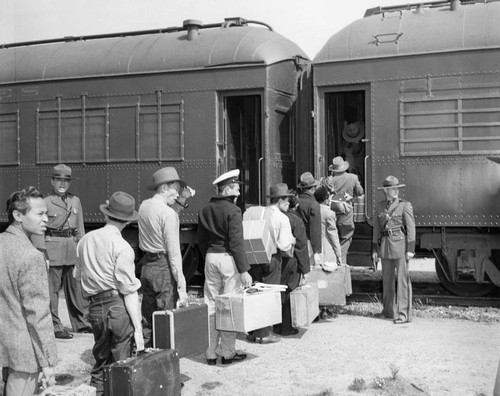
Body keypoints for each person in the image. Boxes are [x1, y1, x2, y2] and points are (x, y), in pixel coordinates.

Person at [75, 191, 143, 395]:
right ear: (127, 222)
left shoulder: (85, 240)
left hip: (95, 307)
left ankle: (96, 390)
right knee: (121, 363)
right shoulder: (122, 247)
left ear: (106, 215)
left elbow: (77, 277)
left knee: (101, 360)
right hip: (117, 305)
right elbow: (128, 291)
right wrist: (138, 329)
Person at [0, 187, 57, 396]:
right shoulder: (31, 256)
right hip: (23, 356)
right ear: (18, 215)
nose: (46, 220)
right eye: (40, 214)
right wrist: (48, 362)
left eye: (47, 214)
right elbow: (38, 315)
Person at [198, 169, 253, 365]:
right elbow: (236, 242)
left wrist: (209, 257)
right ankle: (227, 352)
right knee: (228, 306)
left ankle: (210, 352)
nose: (238, 190)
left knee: (211, 304)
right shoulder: (234, 211)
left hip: (211, 256)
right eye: (236, 187)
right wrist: (244, 269)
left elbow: (201, 240)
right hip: (228, 259)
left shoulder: (205, 209)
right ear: (228, 188)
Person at [33, 164, 91, 339]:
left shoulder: (75, 201)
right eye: (59, 180)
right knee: (52, 290)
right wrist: (42, 252)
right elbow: (39, 229)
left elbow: (79, 228)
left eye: (66, 181)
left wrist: (82, 250)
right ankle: (55, 326)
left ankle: (81, 324)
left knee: (76, 288)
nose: (62, 184)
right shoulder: (44, 201)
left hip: (71, 248)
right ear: (52, 181)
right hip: (52, 249)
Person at [138, 167, 189, 348]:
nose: (177, 194)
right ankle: (165, 364)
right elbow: (174, 253)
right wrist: (181, 285)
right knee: (166, 320)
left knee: (148, 317)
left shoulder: (144, 206)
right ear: (164, 188)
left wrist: (181, 201)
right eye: (175, 189)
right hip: (163, 267)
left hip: (146, 266)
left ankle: (146, 357)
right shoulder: (169, 214)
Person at [245, 183, 296, 344]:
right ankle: (264, 333)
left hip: (252, 256)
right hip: (271, 258)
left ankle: (253, 331)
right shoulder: (282, 218)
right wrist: (292, 241)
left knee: (254, 292)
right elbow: (284, 244)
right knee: (268, 295)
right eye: (287, 199)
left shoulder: (254, 211)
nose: (288, 202)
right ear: (280, 200)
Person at [371, 176, 416, 324]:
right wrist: (375, 249)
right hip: (385, 246)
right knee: (387, 280)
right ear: (386, 190)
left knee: (402, 281)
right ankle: (388, 311)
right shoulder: (379, 206)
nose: (396, 191)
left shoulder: (404, 205)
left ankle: (404, 314)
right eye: (392, 188)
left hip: (401, 246)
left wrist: (410, 249)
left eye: (397, 188)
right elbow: (376, 229)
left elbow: (411, 228)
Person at [274, 190, 310, 336]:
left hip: (276, 259)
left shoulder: (276, 217)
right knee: (289, 291)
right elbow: (301, 246)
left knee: (277, 291)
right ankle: (287, 327)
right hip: (292, 260)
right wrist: (305, 268)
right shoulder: (296, 220)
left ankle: (276, 325)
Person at [321, 156, 364, 266]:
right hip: (346, 213)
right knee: (346, 237)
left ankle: (333, 259)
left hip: (331, 212)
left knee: (332, 236)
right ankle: (341, 260)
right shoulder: (353, 177)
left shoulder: (328, 180)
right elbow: (360, 192)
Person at [296, 172, 322, 267]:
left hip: (294, 241)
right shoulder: (313, 204)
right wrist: (317, 251)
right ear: (313, 188)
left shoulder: (296, 201)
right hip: (307, 243)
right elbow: (315, 230)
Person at [314, 186, 342, 272]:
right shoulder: (329, 213)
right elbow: (333, 235)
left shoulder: (312, 210)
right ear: (326, 200)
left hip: (313, 247)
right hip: (326, 248)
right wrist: (338, 254)